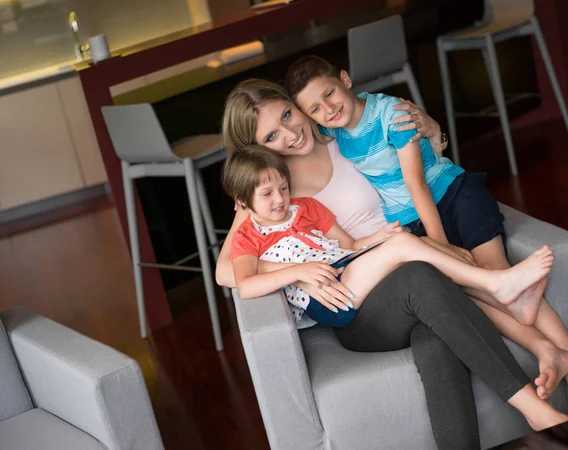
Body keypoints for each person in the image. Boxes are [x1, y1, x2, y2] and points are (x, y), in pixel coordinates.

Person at [216, 78, 568, 448]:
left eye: (287, 114)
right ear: (257, 149)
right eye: (272, 137)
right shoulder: (271, 186)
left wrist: (433, 132)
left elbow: (420, 172)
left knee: (436, 337)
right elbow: (228, 272)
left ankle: (540, 361)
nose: (290, 133)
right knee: (420, 275)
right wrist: (297, 273)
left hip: (400, 257)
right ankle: (533, 402)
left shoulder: (344, 134)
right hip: (363, 305)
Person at [285, 55, 568, 399]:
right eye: (314, 109)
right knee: (465, 289)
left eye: (328, 94)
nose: (327, 109)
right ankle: (546, 346)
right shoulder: (331, 130)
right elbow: (282, 149)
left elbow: (418, 185)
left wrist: (441, 246)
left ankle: (563, 347)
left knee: (493, 269)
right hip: (411, 220)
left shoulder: (392, 114)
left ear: (345, 78)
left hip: (452, 195)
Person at [223, 144, 554, 329]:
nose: (280, 199)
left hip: (346, 269)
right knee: (407, 247)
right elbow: (247, 284)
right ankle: (496, 284)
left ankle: (506, 299)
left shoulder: (306, 207)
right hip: (331, 299)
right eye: (267, 194)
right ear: (241, 201)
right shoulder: (248, 236)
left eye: (283, 187)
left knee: (415, 245)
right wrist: (298, 272)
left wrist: (378, 237)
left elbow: (350, 246)